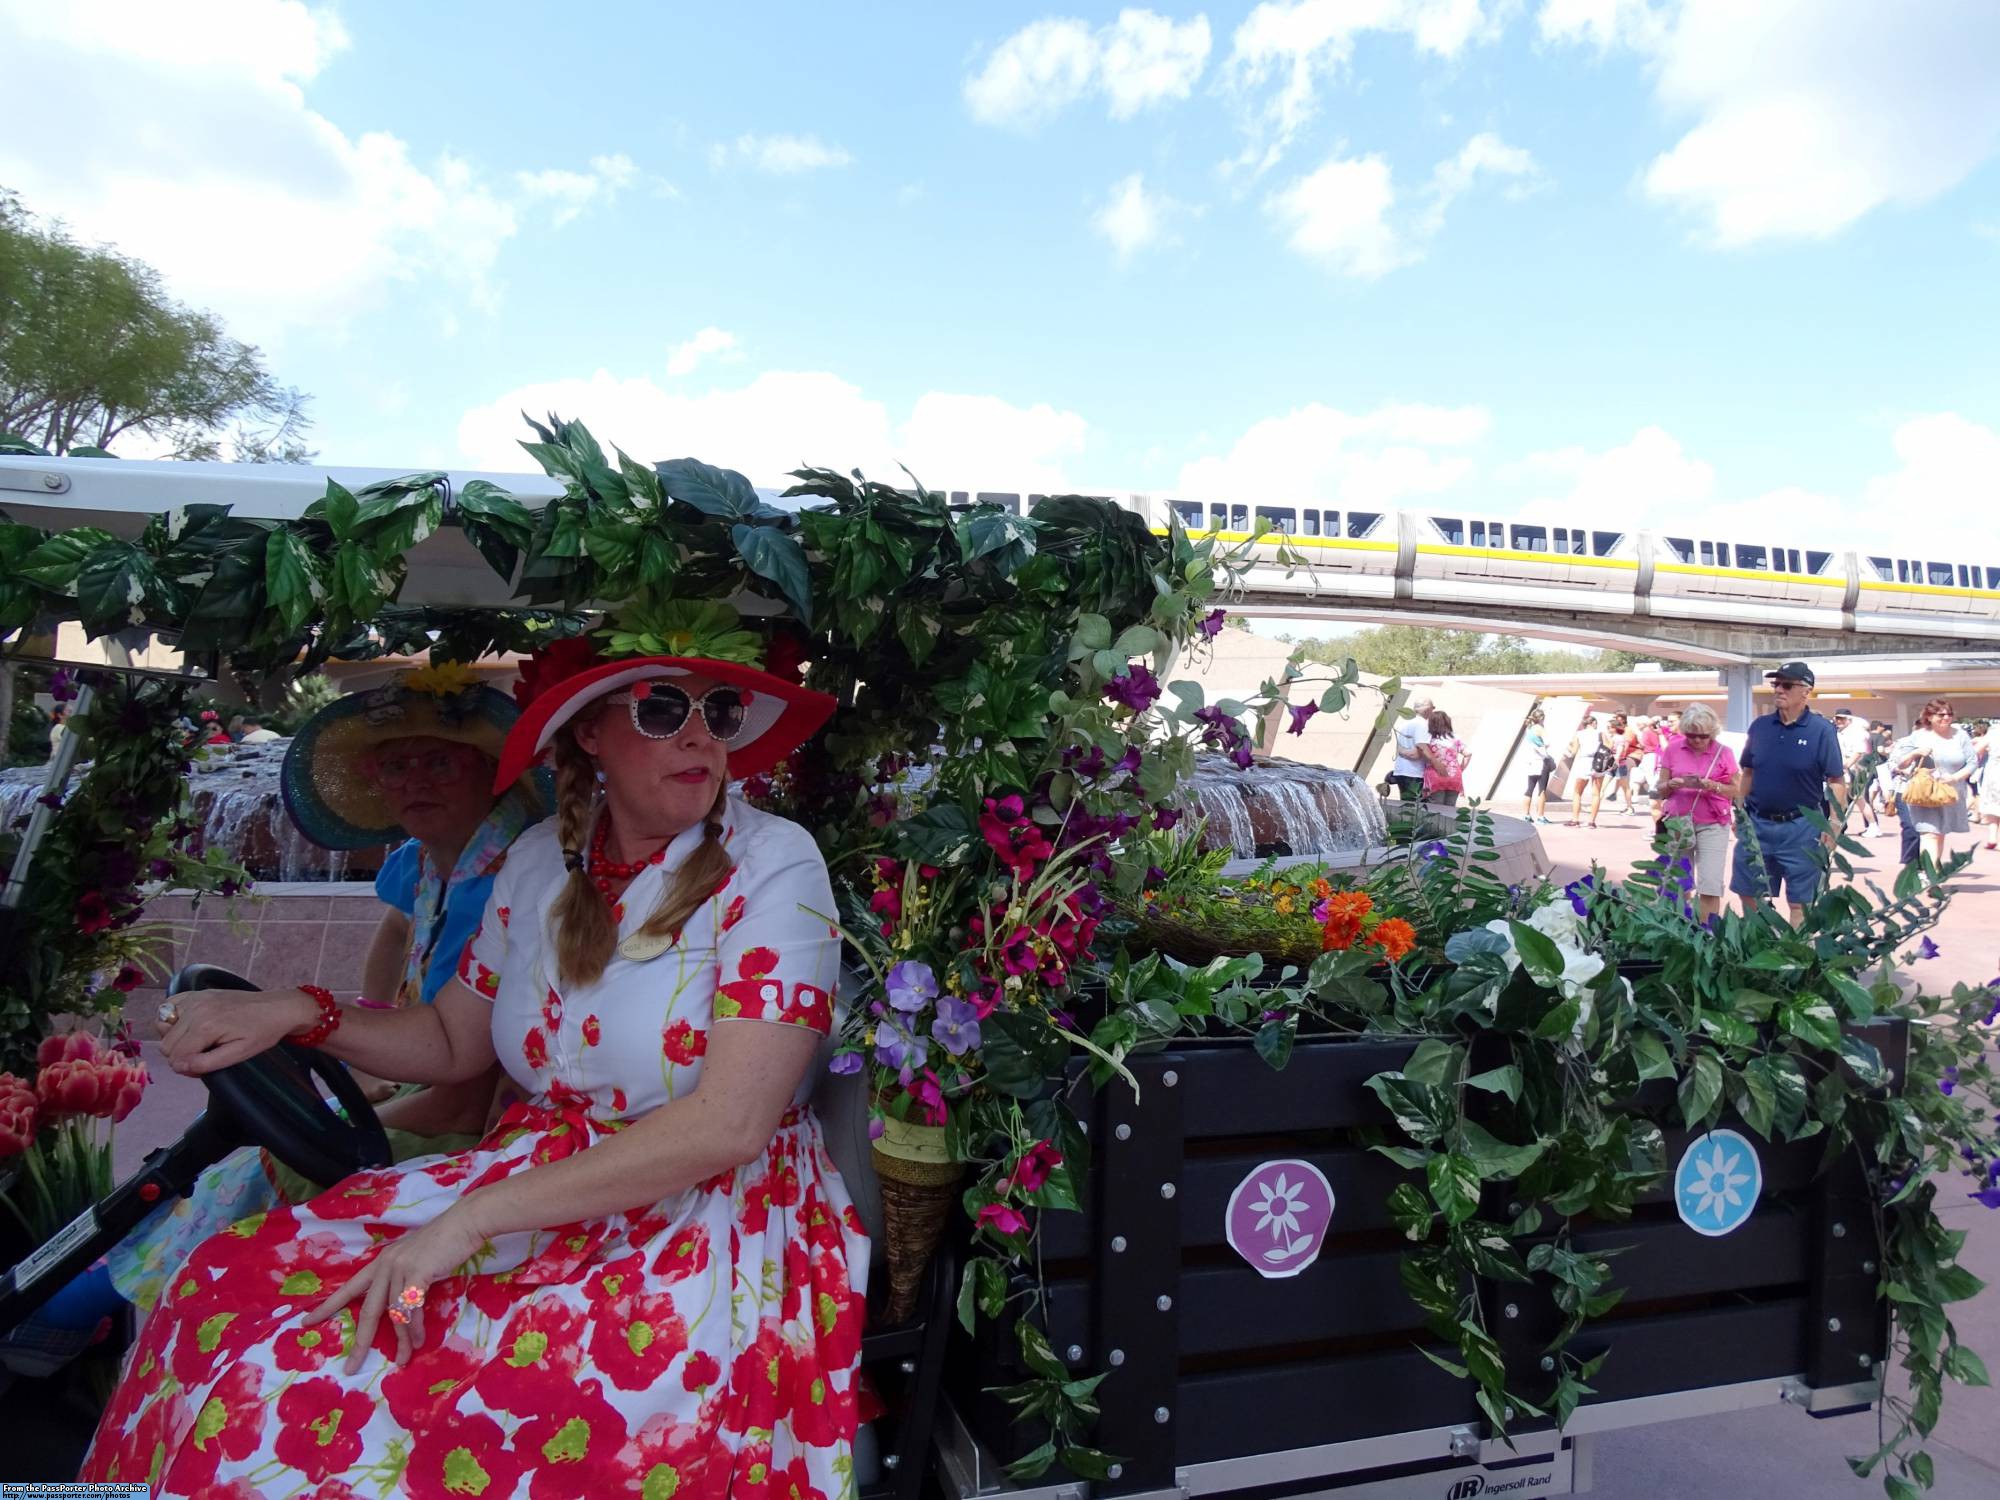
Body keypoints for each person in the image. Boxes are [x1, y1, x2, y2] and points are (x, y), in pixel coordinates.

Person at [83, 612, 867, 1499]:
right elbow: (454, 1039)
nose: (698, 735)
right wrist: (299, 1011)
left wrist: (465, 1223)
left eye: (719, 712)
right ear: (589, 733)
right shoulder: (541, 859)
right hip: (534, 1179)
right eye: (660, 710)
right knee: (218, 1288)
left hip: (702, 1213)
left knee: (334, 1385)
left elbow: (727, 1125)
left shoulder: (774, 862)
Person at [101, 666, 547, 1314]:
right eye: (396, 765)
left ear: (486, 768)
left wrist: (331, 1122)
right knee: (216, 1162)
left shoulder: (507, 884)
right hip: (431, 1084)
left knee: (243, 1180)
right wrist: (375, 1031)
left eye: (439, 763)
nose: (414, 780)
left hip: (480, 1134)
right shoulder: (429, 858)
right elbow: (397, 931)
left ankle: (99, 1320)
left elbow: (457, 1102)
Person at [1731, 660, 1846, 922]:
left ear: (1806, 691)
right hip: (1758, 823)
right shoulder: (1760, 727)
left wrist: (1834, 823)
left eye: (1786, 685)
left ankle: (1793, 957)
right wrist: (1739, 812)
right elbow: (1747, 772)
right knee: (1749, 893)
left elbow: (1836, 780)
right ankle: (1760, 947)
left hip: (1802, 828)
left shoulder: (1821, 731)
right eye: (1776, 684)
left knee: (1801, 903)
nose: (1778, 690)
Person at [1653, 703, 1740, 920]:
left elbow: (1738, 790)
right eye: (1692, 735)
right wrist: (1671, 784)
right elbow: (1660, 789)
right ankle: (1678, 927)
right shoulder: (1673, 749)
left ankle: (1707, 930)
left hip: (1713, 821)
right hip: (1678, 821)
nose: (1698, 741)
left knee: (1710, 882)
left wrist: (1713, 786)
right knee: (1677, 880)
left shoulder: (1724, 752)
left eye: (1704, 736)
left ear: (1712, 733)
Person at [1894, 697, 1977, 867]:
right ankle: (1929, 875)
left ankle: (1933, 871)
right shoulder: (1918, 736)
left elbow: (1972, 762)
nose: (1946, 718)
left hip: (1950, 792)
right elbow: (1900, 763)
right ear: (1929, 717)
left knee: (1940, 834)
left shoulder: (1960, 736)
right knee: (1929, 833)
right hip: (1924, 793)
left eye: (1949, 714)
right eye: (1941, 715)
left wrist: (1954, 777)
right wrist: (1915, 753)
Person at [1831, 708, 1881, 836]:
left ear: (1849, 720)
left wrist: (1846, 766)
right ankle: (1870, 826)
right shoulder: (1840, 732)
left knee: (1858, 799)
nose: (1838, 721)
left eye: (1841, 718)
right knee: (1848, 799)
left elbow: (1858, 752)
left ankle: (1873, 827)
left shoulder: (1856, 733)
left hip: (1854, 770)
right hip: (1847, 770)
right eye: (1837, 718)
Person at [1564, 713, 1610, 828]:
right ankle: (1591, 821)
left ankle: (1575, 819)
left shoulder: (1579, 734)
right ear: (1593, 723)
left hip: (1584, 762)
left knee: (1577, 792)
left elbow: (1573, 752)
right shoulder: (1600, 733)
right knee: (1596, 794)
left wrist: (1568, 747)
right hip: (1598, 762)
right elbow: (1608, 746)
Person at [1420, 709, 1470, 808]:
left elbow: (1424, 756)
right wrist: (1460, 769)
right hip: (1454, 775)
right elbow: (1468, 754)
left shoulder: (1429, 739)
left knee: (1436, 808)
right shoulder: (1456, 738)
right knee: (1450, 808)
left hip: (1435, 776)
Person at [1389, 695, 1434, 802]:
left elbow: (1400, 748)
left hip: (1401, 770)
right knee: (1415, 808)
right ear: (1427, 709)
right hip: (1414, 773)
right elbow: (1417, 753)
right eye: (1433, 708)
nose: (1433, 711)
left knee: (1406, 806)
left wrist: (1402, 752)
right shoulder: (1423, 725)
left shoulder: (1404, 724)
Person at [1522, 707, 1556, 823]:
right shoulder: (1540, 729)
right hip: (1541, 762)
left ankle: (1526, 815)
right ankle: (1540, 816)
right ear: (1542, 718)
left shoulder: (1529, 729)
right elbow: (1548, 743)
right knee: (1542, 790)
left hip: (1531, 762)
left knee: (1529, 789)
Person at [1608, 715, 1641, 814]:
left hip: (1631, 756)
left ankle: (1628, 805)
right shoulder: (1614, 735)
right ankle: (1614, 794)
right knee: (1618, 782)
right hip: (1618, 760)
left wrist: (1619, 758)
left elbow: (1624, 747)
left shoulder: (1627, 731)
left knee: (1624, 783)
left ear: (1621, 720)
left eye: (1616, 719)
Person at [1978, 718, 2000, 852]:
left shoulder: (1994, 733)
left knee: (1993, 804)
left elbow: (1976, 750)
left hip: (1995, 772)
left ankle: (1992, 837)